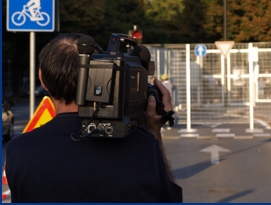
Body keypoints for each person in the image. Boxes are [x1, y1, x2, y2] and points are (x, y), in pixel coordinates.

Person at [6, 34, 182, 202]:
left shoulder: (20, 151)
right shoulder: (143, 146)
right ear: (101, 74)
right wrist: (153, 131)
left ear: (42, 79)